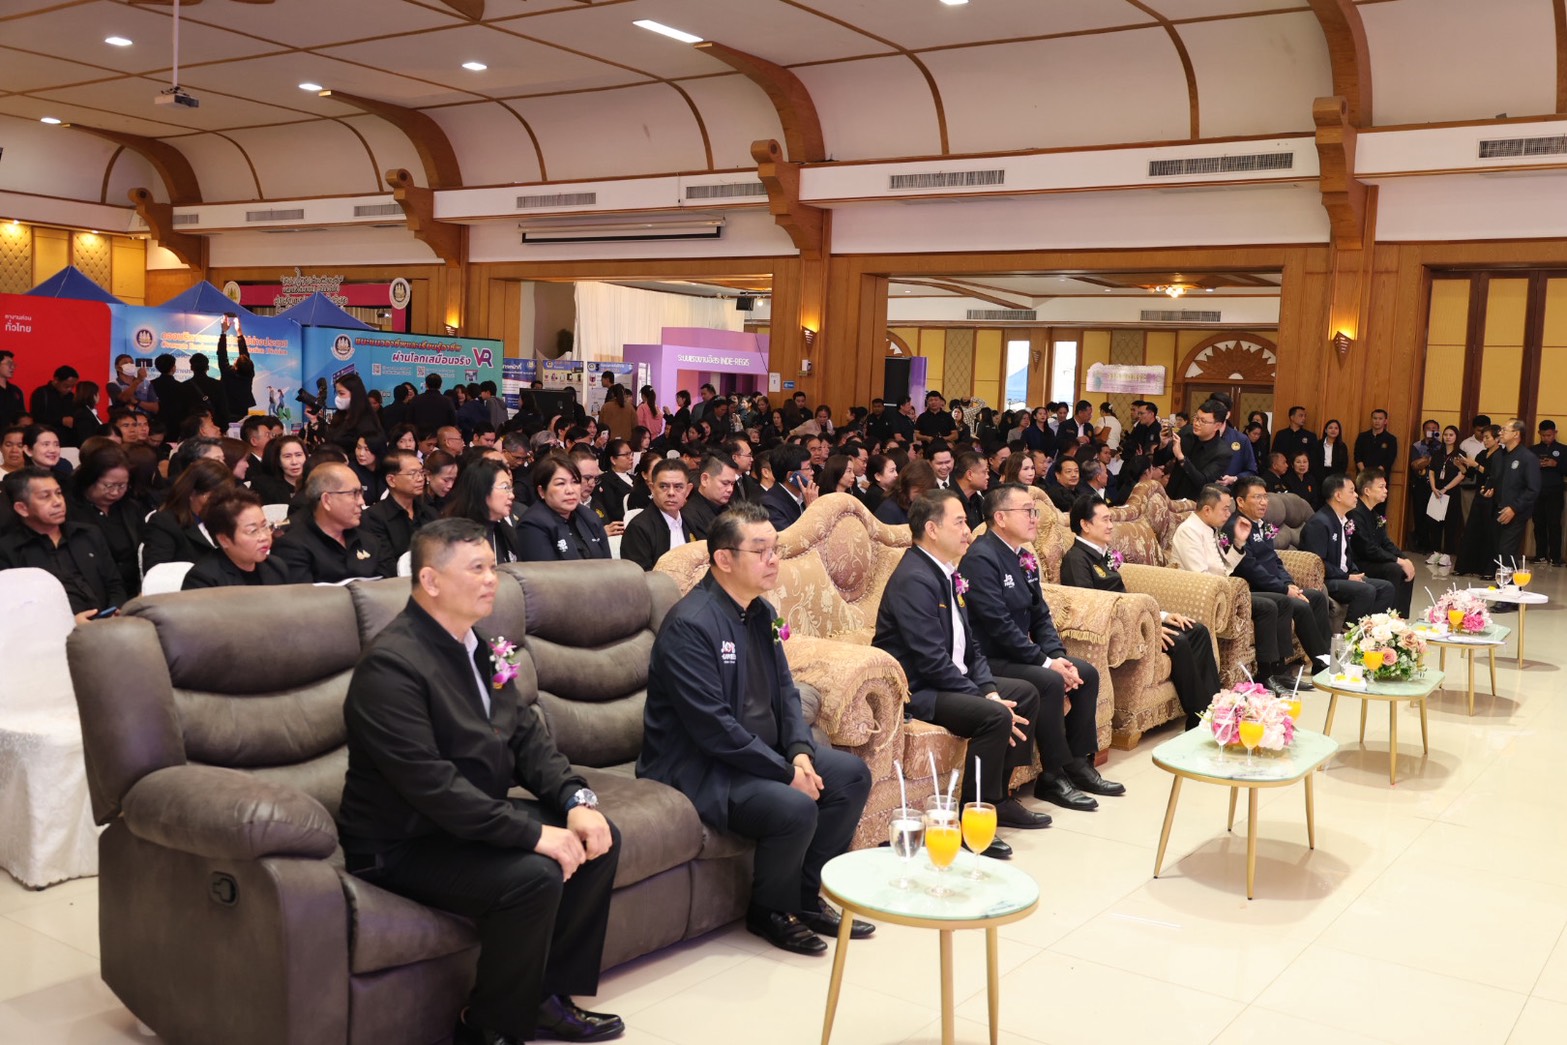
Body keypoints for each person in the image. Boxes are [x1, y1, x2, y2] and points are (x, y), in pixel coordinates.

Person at [336, 519, 622, 1045]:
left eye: (493, 566)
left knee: (598, 836)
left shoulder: (487, 647)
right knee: (535, 874)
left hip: (466, 822)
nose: (493, 579)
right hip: (403, 841)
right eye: (477, 569)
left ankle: (545, 998)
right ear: (431, 580)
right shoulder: (391, 666)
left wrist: (576, 799)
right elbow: (431, 785)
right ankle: (487, 1026)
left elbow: (527, 736)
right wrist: (531, 834)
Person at [638, 502, 873, 954]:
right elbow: (713, 728)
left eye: (776, 549)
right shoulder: (691, 625)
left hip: (758, 754)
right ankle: (769, 911)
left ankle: (806, 896)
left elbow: (785, 691)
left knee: (849, 775)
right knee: (795, 805)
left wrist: (800, 752)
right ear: (723, 559)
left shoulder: (760, 612)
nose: (773, 560)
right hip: (701, 767)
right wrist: (786, 773)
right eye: (760, 551)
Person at [873, 489, 1054, 838]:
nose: (968, 531)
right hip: (920, 690)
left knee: (1025, 694)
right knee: (994, 715)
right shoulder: (915, 579)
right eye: (958, 523)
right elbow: (931, 662)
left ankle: (998, 798)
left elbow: (971, 645)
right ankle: (972, 816)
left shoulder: (945, 572)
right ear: (932, 529)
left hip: (950, 679)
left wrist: (988, 688)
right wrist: (984, 697)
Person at [962, 484, 1123, 813]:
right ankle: (1053, 775)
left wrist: (1058, 657)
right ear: (1000, 518)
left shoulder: (1023, 556)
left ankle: (1078, 763)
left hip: (1018, 654)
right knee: (1049, 680)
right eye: (1027, 511)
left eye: (1034, 511)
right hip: (990, 658)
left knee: (1084, 673)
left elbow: (1041, 616)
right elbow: (998, 625)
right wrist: (1045, 663)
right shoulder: (981, 558)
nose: (1035, 518)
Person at [1062, 495, 1223, 729]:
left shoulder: (1103, 554)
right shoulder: (1076, 559)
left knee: (1196, 630)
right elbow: (1091, 608)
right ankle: (1199, 718)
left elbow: (1125, 596)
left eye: (1111, 519)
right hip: (1116, 630)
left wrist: (1162, 617)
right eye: (1105, 520)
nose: (1111, 525)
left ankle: (1215, 706)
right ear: (1085, 525)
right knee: (1178, 641)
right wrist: (1148, 631)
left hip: (1136, 620)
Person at [1226, 476, 1332, 670]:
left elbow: (1274, 559)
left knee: (1316, 597)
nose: (1264, 502)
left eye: (1265, 497)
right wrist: (1283, 589)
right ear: (1240, 501)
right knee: (1299, 605)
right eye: (1257, 497)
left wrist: (1289, 584)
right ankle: (1315, 665)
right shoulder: (1236, 526)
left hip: (1276, 586)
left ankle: (1324, 657)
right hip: (1257, 589)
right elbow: (1249, 568)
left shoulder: (1263, 524)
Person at [0, 467, 126, 621]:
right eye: (45, 497)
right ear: (22, 509)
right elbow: (15, 612)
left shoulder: (88, 534)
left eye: (58, 493)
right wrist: (71, 623)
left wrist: (115, 610)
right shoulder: (8, 551)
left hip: (107, 623)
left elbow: (114, 584)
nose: (58, 502)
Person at [1299, 474, 1398, 623]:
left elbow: (1346, 555)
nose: (1356, 495)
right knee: (1366, 590)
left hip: (1343, 576)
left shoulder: (1343, 520)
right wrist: (1347, 577)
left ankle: (1372, 628)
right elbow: (1317, 563)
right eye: (1351, 491)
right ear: (1338, 496)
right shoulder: (1320, 523)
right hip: (1327, 579)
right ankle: (1351, 631)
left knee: (1386, 588)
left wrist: (1355, 573)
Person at [265, 462, 380, 583]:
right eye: (354, 494)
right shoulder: (292, 547)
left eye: (361, 493)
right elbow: (300, 594)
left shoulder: (368, 541)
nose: (361, 501)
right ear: (327, 500)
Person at [67, 444, 144, 598]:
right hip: (93, 593)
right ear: (90, 479)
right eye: (109, 486)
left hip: (134, 590)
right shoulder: (70, 510)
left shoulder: (130, 508)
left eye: (122, 486)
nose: (115, 492)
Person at [142, 457, 232, 573]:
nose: (219, 503)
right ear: (192, 493)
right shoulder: (165, 523)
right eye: (213, 497)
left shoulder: (225, 520)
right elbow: (156, 573)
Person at [515, 453, 610, 561]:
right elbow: (543, 570)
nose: (570, 490)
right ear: (542, 491)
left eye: (575, 482)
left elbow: (608, 564)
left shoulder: (590, 517)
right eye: (560, 483)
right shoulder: (532, 524)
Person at [1348, 470, 1416, 617]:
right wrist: (1398, 560)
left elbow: (1385, 542)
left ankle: (1400, 617)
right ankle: (1386, 617)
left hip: (1373, 558)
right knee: (1394, 569)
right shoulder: (1355, 513)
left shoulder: (1374, 514)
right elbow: (1367, 548)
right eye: (1381, 487)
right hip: (1360, 562)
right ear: (1367, 491)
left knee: (1406, 567)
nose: (1386, 491)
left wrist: (1404, 558)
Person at [361, 448, 438, 578]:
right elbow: (385, 566)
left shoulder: (429, 512)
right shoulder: (373, 517)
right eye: (413, 474)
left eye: (421, 472)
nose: (420, 479)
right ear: (391, 480)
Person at [182, 488, 276, 589]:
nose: (264, 537)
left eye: (264, 526)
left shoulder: (276, 566)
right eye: (253, 531)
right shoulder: (203, 580)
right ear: (224, 540)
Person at [620, 459, 693, 571]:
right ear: (652, 488)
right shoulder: (638, 528)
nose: (671, 493)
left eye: (678, 487)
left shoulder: (692, 521)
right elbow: (640, 576)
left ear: (688, 490)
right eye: (663, 486)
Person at [1453, 424, 1502, 578]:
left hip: (1492, 497)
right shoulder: (1482, 453)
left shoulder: (1501, 455)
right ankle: (1464, 566)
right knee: (1472, 530)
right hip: (1479, 495)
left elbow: (1494, 475)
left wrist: (1476, 465)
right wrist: (1461, 466)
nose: (1485, 440)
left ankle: (1488, 570)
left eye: (1488, 437)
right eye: (1484, 437)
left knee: (1489, 533)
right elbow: (1471, 474)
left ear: (1497, 438)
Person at [1493, 418, 1542, 570]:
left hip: (1516, 512)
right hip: (1497, 508)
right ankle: (1505, 582)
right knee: (1498, 550)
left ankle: (1509, 583)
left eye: (1504, 430)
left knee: (1506, 550)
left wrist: (1514, 508)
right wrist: (1489, 490)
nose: (1500, 433)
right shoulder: (1500, 455)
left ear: (1516, 434)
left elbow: (1533, 488)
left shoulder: (1528, 457)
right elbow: (1497, 480)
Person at [1168, 400, 1236, 500]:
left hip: (1195, 502)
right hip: (1171, 495)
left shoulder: (1223, 453)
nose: (1196, 423)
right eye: (1196, 418)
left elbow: (1203, 482)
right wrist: (1163, 444)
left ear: (1217, 426)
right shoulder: (1187, 432)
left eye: (1203, 421)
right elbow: (1159, 460)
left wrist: (1181, 458)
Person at [1426, 425, 1467, 573]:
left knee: (1451, 524)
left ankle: (1447, 554)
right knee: (1434, 522)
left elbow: (1462, 474)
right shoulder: (1438, 453)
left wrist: (1445, 489)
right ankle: (1436, 552)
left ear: (1456, 437)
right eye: (1445, 435)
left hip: (1451, 492)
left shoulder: (1460, 455)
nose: (1448, 437)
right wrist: (1434, 488)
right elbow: (1431, 471)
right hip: (1436, 492)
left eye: (1451, 435)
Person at [683, 452, 739, 541]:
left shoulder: (732, 508)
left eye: (732, 484)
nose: (730, 489)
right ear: (705, 479)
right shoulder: (689, 516)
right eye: (725, 483)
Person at [324, 373, 383, 456]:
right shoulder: (341, 415)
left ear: (355, 394)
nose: (338, 397)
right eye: (337, 393)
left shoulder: (366, 420)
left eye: (341, 393)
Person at [1531, 420, 1564, 567]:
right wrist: (1535, 465)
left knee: (1554, 524)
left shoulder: (1563, 449)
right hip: (1537, 491)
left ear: (1555, 433)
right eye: (1543, 435)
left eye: (1549, 435)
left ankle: (1555, 557)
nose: (1546, 438)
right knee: (1538, 523)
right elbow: (1525, 471)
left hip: (1555, 491)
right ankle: (1540, 555)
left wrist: (1555, 464)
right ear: (1539, 433)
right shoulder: (1533, 450)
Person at [763, 444, 816, 531]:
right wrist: (811, 508)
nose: (812, 472)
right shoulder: (770, 505)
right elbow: (792, 537)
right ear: (791, 475)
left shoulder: (806, 495)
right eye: (808, 468)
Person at [215, 315, 256, 417]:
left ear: (236, 366)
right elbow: (244, 354)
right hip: (242, 410)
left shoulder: (227, 372)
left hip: (226, 410)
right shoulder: (249, 374)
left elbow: (222, 354)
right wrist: (239, 332)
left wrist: (224, 332)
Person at [250, 434, 308, 505]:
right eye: (287, 456)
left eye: (298, 455)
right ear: (278, 461)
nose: (294, 462)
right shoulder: (265, 487)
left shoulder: (315, 483)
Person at [1353, 409, 1399, 484]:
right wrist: (1364, 472)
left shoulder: (1391, 439)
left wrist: (1376, 473)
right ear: (1371, 420)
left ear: (1385, 421)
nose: (1377, 421)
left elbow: (1390, 458)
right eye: (1375, 418)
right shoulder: (1362, 437)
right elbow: (1357, 455)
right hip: (1363, 475)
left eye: (1380, 419)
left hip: (1381, 476)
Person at [28, 365, 78, 432]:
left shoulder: (71, 396)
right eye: (66, 386)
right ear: (56, 380)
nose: (70, 389)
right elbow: (36, 417)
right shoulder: (41, 393)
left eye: (72, 386)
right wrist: (61, 420)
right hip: (46, 433)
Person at [951, 451, 988, 528]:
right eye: (984, 472)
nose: (987, 477)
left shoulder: (979, 500)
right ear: (969, 475)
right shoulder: (947, 501)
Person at [0, 350, 26, 428]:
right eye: (8, 364)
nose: (12, 367)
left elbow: (21, 415)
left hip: (13, 432)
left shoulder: (16, 391)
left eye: (13, 364)